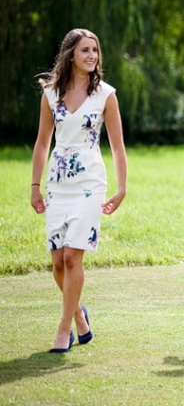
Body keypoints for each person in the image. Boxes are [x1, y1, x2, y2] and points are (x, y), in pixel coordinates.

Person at [31, 28, 128, 352]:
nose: (92, 56)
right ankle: (81, 319)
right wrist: (35, 186)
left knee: (73, 257)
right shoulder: (50, 95)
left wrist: (122, 187)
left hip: (90, 184)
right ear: (70, 54)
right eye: (85, 50)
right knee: (58, 262)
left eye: (95, 51)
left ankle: (63, 329)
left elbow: (117, 146)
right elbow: (43, 142)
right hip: (58, 185)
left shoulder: (106, 95)